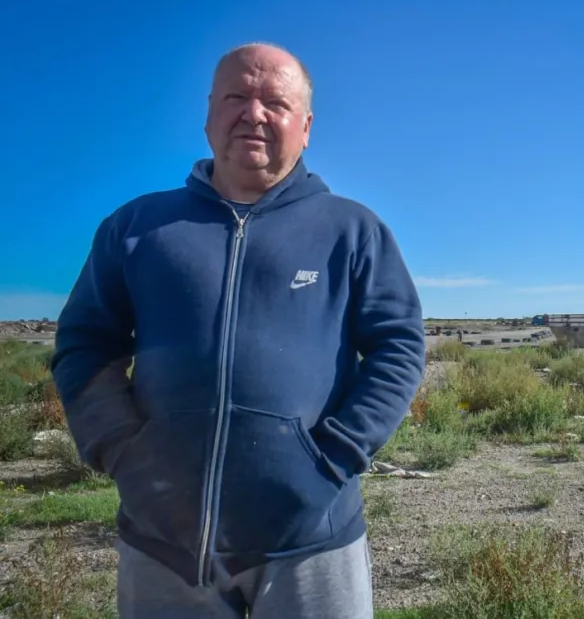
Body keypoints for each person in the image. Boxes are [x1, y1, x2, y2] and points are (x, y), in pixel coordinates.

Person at [51, 42, 426, 618]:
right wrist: (123, 450)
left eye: (275, 102)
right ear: (208, 114)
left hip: (313, 537)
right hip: (163, 546)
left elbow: (398, 347)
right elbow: (84, 344)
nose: (253, 114)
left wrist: (333, 457)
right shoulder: (137, 227)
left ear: (305, 126)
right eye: (236, 97)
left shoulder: (351, 230)